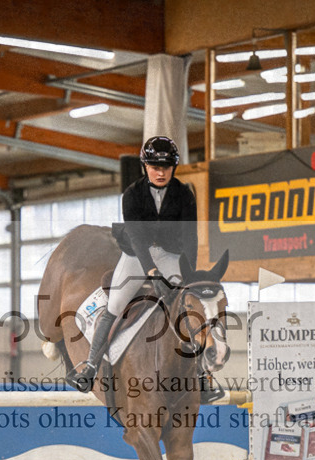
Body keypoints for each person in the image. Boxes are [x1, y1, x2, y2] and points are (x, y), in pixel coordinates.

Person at [68, 136, 222, 401]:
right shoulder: (132, 194)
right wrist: (152, 273)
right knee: (114, 304)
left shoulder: (184, 194)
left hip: (172, 255)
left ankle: (201, 375)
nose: (160, 172)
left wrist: (189, 275)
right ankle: (90, 367)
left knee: (187, 308)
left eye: (165, 167)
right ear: (145, 166)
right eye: (154, 166)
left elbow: (190, 237)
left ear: (173, 167)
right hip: (137, 255)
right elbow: (138, 238)